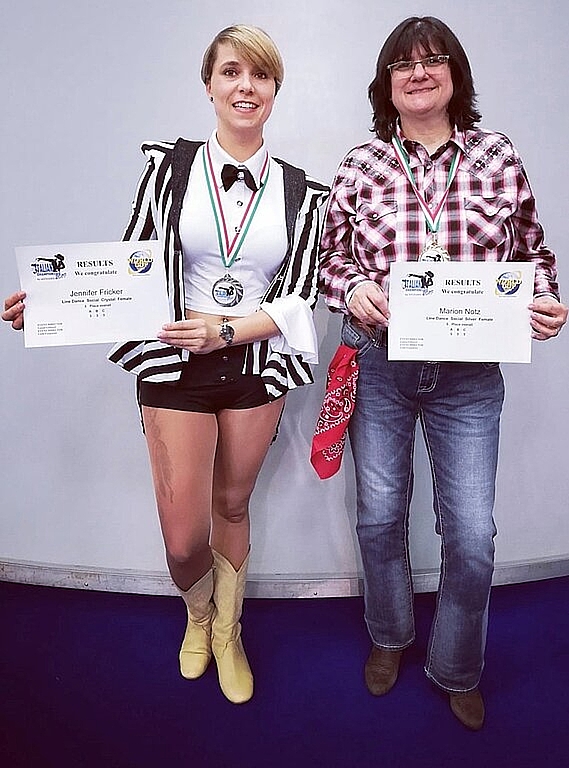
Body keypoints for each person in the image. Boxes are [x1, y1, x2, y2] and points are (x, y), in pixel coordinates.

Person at [3, 24, 328, 704]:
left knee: (233, 503)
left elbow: (301, 296)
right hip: (172, 364)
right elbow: (129, 266)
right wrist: (57, 302)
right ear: (208, 83)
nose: (246, 86)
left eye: (260, 75)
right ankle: (197, 611)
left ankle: (228, 632)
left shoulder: (304, 193)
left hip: (253, 364)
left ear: (274, 90)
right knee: (184, 538)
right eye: (232, 72)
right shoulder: (168, 167)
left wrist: (228, 329)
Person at [318, 15, 567, 730]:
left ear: (455, 74)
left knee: (469, 534)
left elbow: (531, 251)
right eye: (402, 64)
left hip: (467, 375)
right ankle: (389, 636)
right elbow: (328, 259)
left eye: (432, 60)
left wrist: (544, 300)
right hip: (379, 364)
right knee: (377, 516)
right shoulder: (360, 163)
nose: (417, 72)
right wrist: (351, 289)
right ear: (385, 84)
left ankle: (456, 665)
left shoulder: (496, 154)